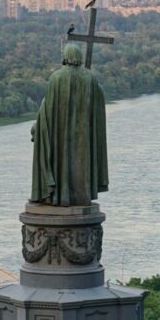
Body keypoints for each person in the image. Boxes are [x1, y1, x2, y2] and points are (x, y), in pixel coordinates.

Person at [30, 42, 109, 206]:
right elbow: (98, 105)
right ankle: (81, 195)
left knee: (60, 160)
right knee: (80, 163)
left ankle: (59, 195)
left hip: (60, 135)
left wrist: (38, 126)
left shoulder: (57, 77)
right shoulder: (90, 78)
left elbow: (49, 109)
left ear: (65, 57)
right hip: (84, 135)